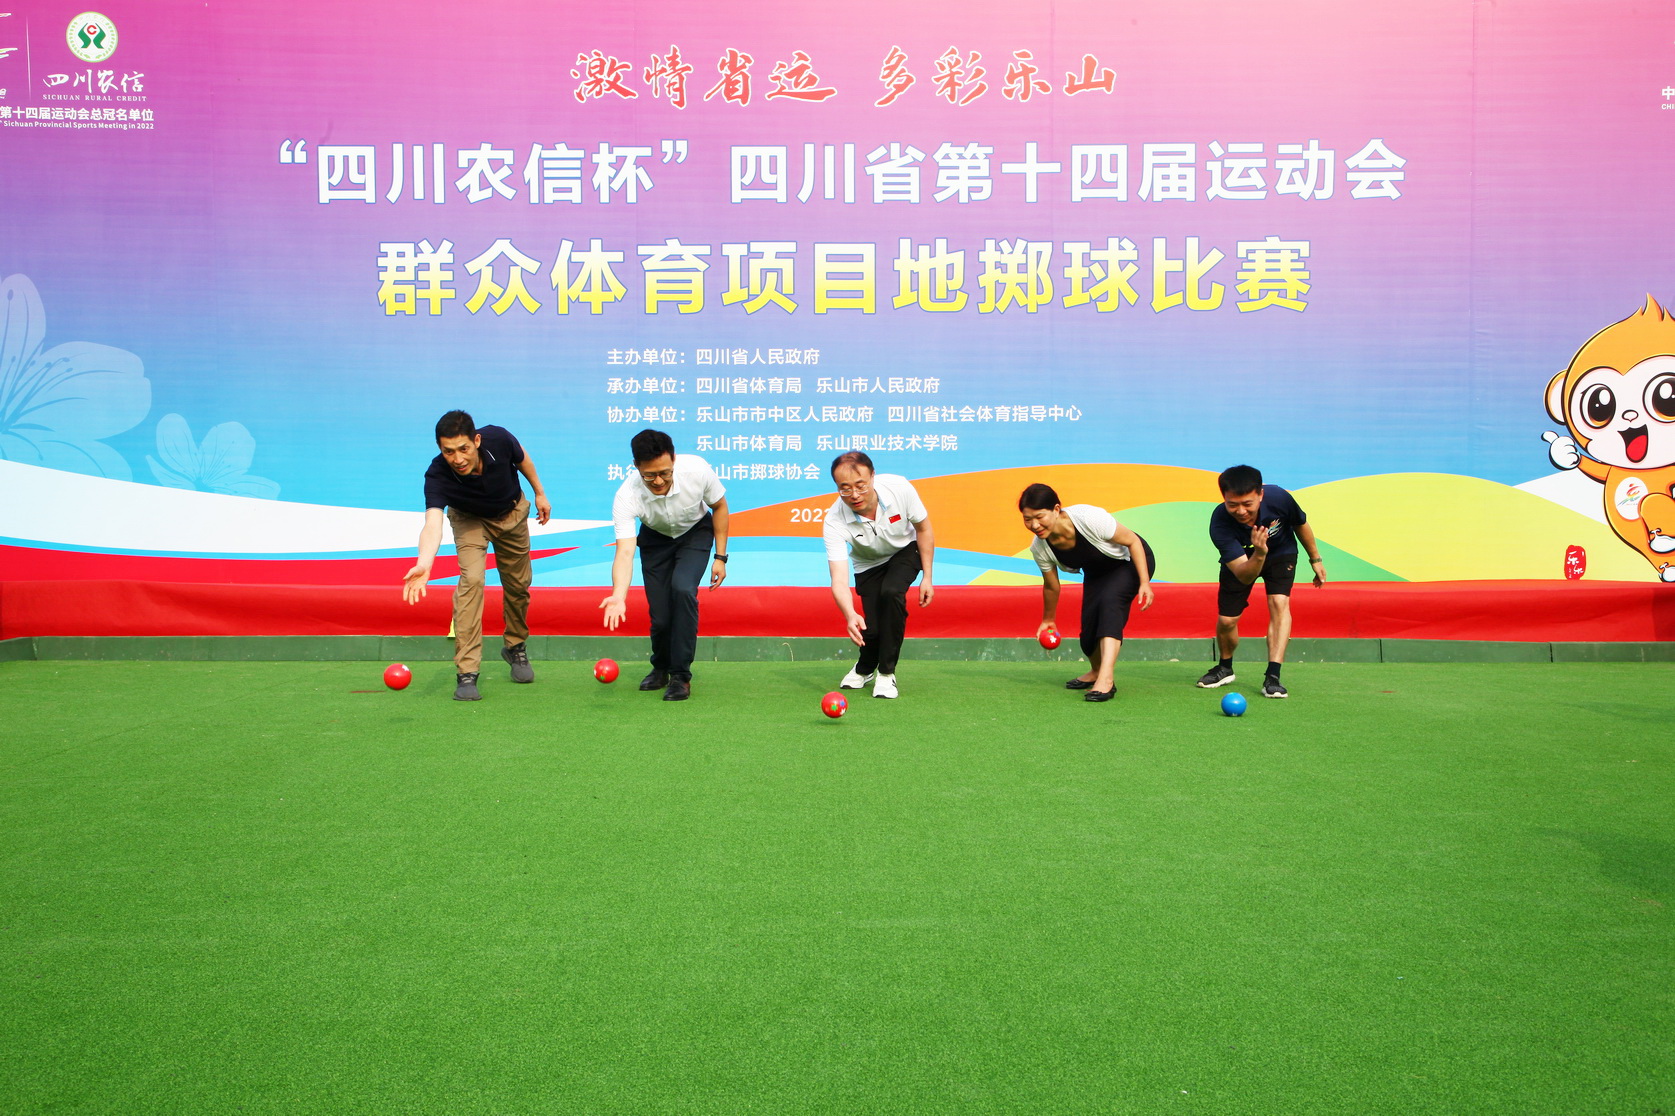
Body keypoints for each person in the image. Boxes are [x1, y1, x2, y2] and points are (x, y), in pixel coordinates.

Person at [403, 410, 552, 701]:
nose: (457, 458)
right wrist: (424, 563)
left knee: (518, 585)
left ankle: (515, 646)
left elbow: (523, 460)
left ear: (477, 441)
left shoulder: (498, 438)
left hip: (511, 513)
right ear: (439, 449)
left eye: (463, 449)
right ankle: (467, 672)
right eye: (448, 451)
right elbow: (432, 523)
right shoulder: (437, 474)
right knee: (471, 582)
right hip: (470, 521)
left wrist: (540, 493)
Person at [599, 429, 729, 701]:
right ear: (636, 467)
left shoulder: (697, 470)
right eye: (649, 475)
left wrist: (720, 557)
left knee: (682, 590)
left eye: (665, 473)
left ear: (674, 460)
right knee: (660, 615)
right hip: (655, 540)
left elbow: (719, 506)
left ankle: (680, 675)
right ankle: (660, 668)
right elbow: (625, 551)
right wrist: (619, 595)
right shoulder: (626, 495)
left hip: (695, 533)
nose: (658, 481)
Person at [1197, 464, 1326, 699]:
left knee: (1279, 603)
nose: (1241, 511)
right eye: (1233, 504)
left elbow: (1300, 524)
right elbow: (1244, 575)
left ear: (1261, 495)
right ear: (1224, 498)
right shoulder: (1220, 522)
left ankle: (1273, 676)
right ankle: (1225, 668)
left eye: (1247, 504)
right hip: (1243, 562)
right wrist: (1259, 552)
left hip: (1281, 553)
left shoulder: (1279, 498)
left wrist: (1315, 558)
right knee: (1227, 621)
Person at [1020, 484, 1157, 703]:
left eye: (1039, 517)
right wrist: (1048, 620)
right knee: (1088, 632)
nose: (1034, 525)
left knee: (1110, 605)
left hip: (1130, 562)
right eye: (1027, 519)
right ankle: (1095, 671)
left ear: (1056, 509)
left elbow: (1133, 541)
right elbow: (1052, 586)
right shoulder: (1040, 547)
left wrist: (1144, 582)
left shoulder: (1088, 517)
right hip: (1098, 572)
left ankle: (1106, 679)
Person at [822, 452, 934, 699]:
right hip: (868, 563)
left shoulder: (899, 488)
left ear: (873, 476)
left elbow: (924, 528)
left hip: (905, 549)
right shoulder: (834, 520)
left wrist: (928, 576)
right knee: (871, 628)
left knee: (892, 593)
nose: (854, 494)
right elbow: (838, 579)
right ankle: (864, 668)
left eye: (860, 485)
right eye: (845, 488)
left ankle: (886, 672)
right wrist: (849, 614)